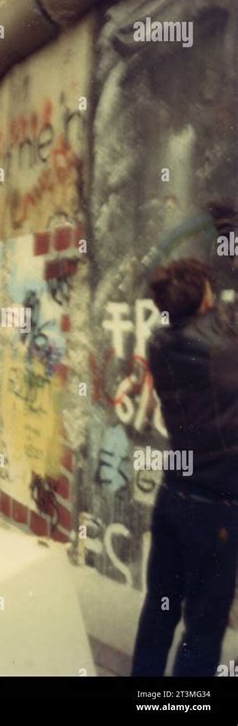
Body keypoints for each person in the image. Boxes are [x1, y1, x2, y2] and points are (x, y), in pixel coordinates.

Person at [131, 258, 238, 676]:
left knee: (159, 609)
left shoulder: (159, 342)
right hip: (217, 508)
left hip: (174, 496)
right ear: (205, 299)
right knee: (204, 627)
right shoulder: (224, 346)